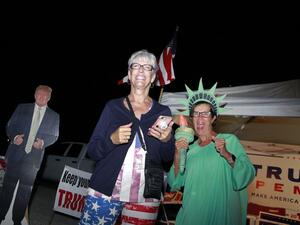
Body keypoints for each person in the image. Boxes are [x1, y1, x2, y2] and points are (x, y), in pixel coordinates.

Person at [79, 49, 175, 225]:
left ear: (153, 76)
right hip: (105, 190)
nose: (141, 70)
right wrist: (111, 140)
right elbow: (92, 150)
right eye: (136, 66)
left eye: (147, 67)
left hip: (145, 197)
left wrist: (166, 140)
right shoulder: (112, 107)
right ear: (129, 74)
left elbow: (168, 158)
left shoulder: (163, 112)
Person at [167, 78, 256, 225]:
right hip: (191, 215)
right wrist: (177, 154)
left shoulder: (229, 140)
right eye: (195, 114)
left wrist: (228, 155)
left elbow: (248, 174)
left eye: (205, 114)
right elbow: (176, 181)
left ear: (213, 118)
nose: (200, 118)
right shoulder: (190, 149)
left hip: (219, 215)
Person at [0, 85, 60, 225]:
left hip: (33, 160)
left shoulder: (54, 116)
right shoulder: (22, 108)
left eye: (45, 96)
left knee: (24, 192)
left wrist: (43, 142)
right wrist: (15, 137)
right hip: (15, 155)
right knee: (7, 188)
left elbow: (54, 135)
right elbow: (10, 125)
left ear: (49, 98)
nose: (41, 97)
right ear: (34, 95)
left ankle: (17, 219)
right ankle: (1, 215)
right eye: (39, 94)